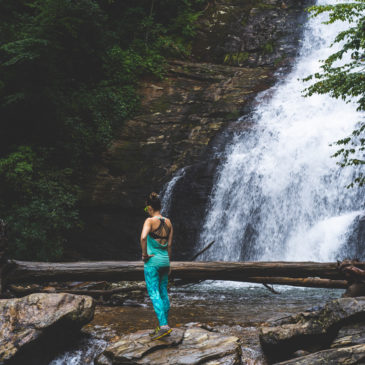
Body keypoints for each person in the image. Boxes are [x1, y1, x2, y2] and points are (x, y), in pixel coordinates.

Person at [140, 192, 173, 340]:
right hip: (165, 261)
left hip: (152, 263)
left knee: (154, 294)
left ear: (149, 207)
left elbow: (142, 237)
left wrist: (144, 255)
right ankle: (162, 325)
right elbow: (170, 244)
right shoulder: (169, 222)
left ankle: (164, 326)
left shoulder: (149, 221)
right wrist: (169, 262)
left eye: (146, 207)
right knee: (163, 292)